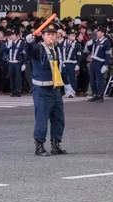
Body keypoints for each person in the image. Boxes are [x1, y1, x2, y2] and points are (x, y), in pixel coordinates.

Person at [25, 22, 74, 156]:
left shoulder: (56, 49)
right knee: (42, 118)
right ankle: (39, 146)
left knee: (58, 118)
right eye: (48, 34)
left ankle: (55, 144)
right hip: (42, 89)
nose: (51, 37)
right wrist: (28, 42)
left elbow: (60, 68)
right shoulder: (38, 48)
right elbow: (29, 50)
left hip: (55, 89)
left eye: (53, 34)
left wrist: (67, 84)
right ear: (43, 36)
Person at [86, 26, 111, 102]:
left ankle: (100, 95)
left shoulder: (106, 42)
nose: (97, 33)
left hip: (100, 62)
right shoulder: (95, 40)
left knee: (99, 79)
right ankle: (94, 94)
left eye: (99, 32)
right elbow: (89, 49)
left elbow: (107, 54)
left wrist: (106, 64)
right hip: (93, 61)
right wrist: (89, 43)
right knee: (92, 79)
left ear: (103, 33)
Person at [62, 28, 82, 97]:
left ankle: (72, 91)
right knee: (65, 77)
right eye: (72, 35)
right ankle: (67, 91)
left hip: (72, 63)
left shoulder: (77, 44)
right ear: (68, 36)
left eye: (74, 35)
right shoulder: (63, 42)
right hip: (64, 62)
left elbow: (79, 55)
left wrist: (78, 64)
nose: (73, 37)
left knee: (72, 78)